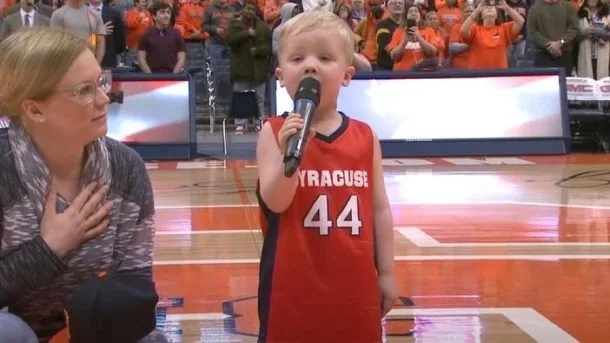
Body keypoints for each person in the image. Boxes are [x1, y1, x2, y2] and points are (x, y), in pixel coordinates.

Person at [0, 28, 165, 343]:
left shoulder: (126, 169)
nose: (105, 99)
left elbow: (134, 288)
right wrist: (48, 250)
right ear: (34, 109)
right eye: (84, 90)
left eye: (101, 82)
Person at [255, 10, 398, 343]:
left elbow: (379, 209)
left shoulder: (365, 136)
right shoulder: (272, 132)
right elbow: (275, 202)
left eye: (324, 57)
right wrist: (292, 151)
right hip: (290, 282)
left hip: (354, 280)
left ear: (347, 75)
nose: (310, 65)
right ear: (280, 75)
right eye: (297, 57)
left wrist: (387, 272)